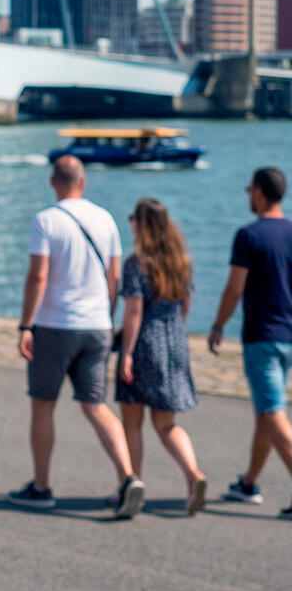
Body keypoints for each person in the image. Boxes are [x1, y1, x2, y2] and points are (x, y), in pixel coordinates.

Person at [10, 155, 144, 518]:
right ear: (83, 182)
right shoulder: (106, 219)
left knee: (43, 406)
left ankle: (41, 487)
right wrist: (107, 314)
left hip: (56, 325)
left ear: (53, 182)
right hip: (97, 324)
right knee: (96, 405)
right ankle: (128, 477)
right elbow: (114, 276)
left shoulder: (46, 220)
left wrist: (26, 325)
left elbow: (38, 276)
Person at [209, 166, 292, 517]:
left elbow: (234, 288)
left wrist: (217, 325)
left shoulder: (249, 235)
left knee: (273, 413)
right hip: (288, 335)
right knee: (264, 411)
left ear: (258, 192)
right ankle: (249, 483)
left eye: (248, 190)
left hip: (262, 336)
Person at [116, 199, 207, 515]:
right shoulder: (181, 261)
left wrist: (126, 354)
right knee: (166, 423)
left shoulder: (137, 263)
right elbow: (185, 306)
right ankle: (193, 475)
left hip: (144, 342)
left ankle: (133, 484)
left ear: (141, 224)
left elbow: (134, 311)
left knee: (132, 423)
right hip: (174, 340)